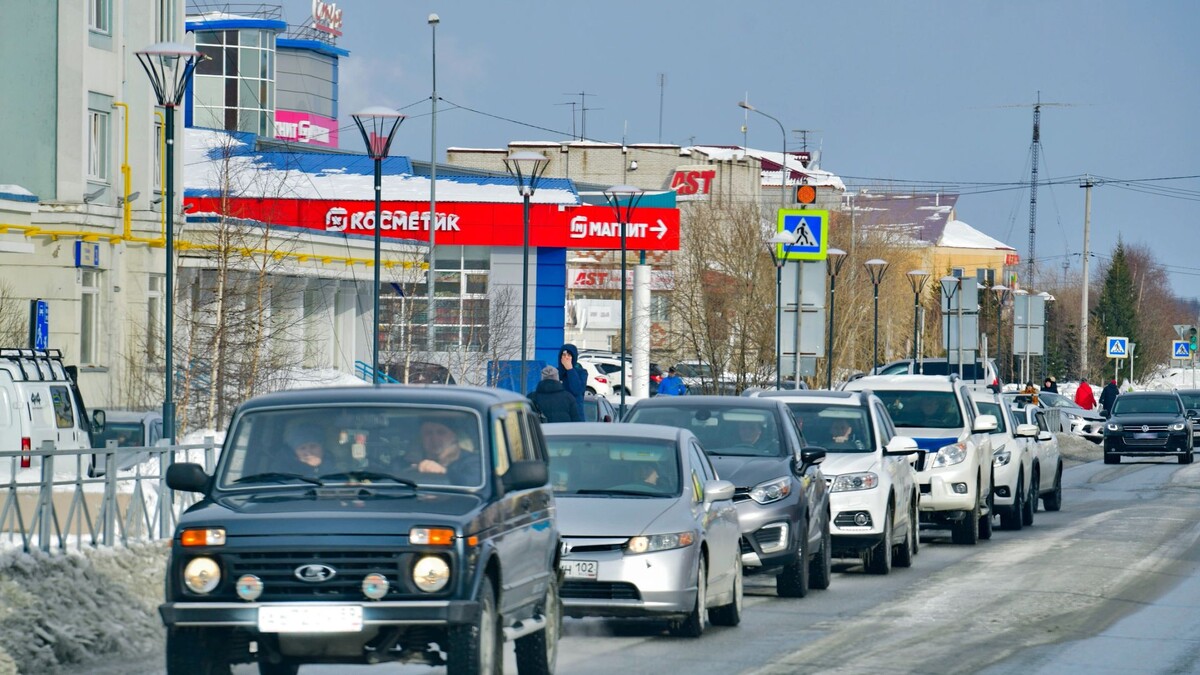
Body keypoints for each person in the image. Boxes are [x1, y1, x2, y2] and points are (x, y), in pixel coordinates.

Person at [413, 418, 480, 484]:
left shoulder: (473, 462)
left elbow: (472, 483)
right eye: (428, 433)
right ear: (421, 438)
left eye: (441, 432)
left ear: (454, 436)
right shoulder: (409, 462)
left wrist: (444, 472)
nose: (434, 438)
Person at [556, 343, 588, 414]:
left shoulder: (582, 373)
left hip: (575, 415)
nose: (566, 358)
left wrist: (570, 369)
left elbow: (577, 390)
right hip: (560, 414)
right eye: (564, 355)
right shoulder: (555, 372)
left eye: (569, 355)